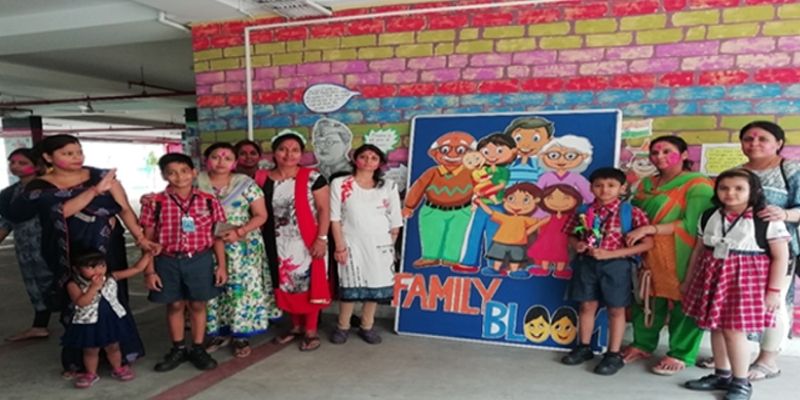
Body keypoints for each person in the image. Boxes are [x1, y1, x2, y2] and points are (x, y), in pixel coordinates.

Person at [9, 134, 156, 376]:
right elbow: (60, 212)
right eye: (68, 153)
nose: (76, 157)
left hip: (106, 247)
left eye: (78, 151)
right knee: (75, 302)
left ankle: (119, 356)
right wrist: (95, 191)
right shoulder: (40, 187)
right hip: (67, 250)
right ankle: (79, 360)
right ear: (48, 157)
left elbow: (125, 209)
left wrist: (141, 238)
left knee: (112, 297)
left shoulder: (101, 175)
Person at [682, 168, 790, 400]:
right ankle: (722, 374)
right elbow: (698, 250)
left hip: (746, 282)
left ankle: (741, 381)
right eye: (724, 188)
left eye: (739, 188)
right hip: (712, 277)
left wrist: (774, 291)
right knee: (717, 327)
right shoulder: (709, 216)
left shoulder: (765, 219)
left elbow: (781, 257)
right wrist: (689, 280)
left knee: (734, 331)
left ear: (754, 191)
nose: (730, 193)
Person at [622, 135, 714, 375]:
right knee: (645, 296)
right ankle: (642, 344)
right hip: (646, 250)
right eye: (655, 152)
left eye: (666, 151)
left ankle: (681, 353)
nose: (659, 157)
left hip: (681, 252)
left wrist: (650, 229)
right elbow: (634, 216)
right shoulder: (645, 184)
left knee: (685, 301)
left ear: (684, 155)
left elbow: (694, 225)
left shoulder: (698, 185)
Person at [140, 153, 228, 372]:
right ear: (164, 176)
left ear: (194, 172)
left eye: (184, 171)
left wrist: (221, 266)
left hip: (199, 259)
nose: (179, 177)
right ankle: (178, 348)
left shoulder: (209, 201)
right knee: (175, 304)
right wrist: (149, 271)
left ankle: (198, 348)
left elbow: (218, 236)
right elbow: (148, 240)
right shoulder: (154, 203)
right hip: (167, 260)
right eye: (172, 173)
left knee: (198, 304)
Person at [561, 167, 653, 376]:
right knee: (586, 305)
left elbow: (648, 244)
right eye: (599, 185)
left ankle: (613, 354)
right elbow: (571, 235)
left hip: (617, 266)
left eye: (611, 185)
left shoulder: (631, 213)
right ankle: (584, 347)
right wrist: (577, 245)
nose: (604, 190)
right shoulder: (583, 211)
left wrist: (613, 254)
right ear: (591, 188)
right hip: (587, 263)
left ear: (622, 188)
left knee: (616, 309)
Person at [197, 142, 280, 358]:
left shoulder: (245, 184)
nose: (221, 162)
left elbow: (261, 215)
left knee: (241, 290)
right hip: (206, 245)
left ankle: (241, 335)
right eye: (215, 157)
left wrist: (239, 231)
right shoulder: (197, 183)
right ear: (207, 160)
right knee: (214, 287)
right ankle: (218, 332)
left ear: (234, 162)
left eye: (227, 158)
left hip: (243, 247)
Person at [261, 130, 331, 352]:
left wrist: (321, 238)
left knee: (308, 284)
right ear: (274, 153)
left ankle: (310, 330)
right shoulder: (263, 179)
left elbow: (324, 210)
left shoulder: (313, 178)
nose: (288, 154)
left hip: (307, 241)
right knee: (285, 284)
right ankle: (296, 326)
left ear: (301, 153)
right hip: (276, 242)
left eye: (294, 150)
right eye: (283, 149)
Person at [329, 144, 403, 345]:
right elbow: (334, 218)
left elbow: (395, 220)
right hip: (350, 243)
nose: (368, 161)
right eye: (364, 156)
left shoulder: (388, 186)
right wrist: (339, 246)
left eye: (374, 158)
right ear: (355, 159)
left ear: (380, 163)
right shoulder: (340, 183)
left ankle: (367, 326)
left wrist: (389, 246)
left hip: (381, 244)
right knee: (350, 285)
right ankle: (343, 326)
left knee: (375, 285)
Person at [61, 250, 152, 388]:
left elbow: (136, 269)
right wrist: (93, 288)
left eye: (101, 265)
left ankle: (117, 368)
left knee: (113, 347)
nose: (98, 270)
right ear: (77, 269)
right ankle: (91, 373)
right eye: (91, 267)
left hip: (111, 320)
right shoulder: (73, 285)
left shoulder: (111, 277)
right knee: (90, 350)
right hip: (88, 323)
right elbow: (81, 302)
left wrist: (148, 255)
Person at [0, 148, 52, 341]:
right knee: (33, 285)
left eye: (22, 163)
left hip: (48, 245)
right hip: (25, 248)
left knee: (56, 283)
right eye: (12, 162)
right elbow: (7, 222)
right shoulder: (9, 194)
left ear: (37, 166)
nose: (15, 166)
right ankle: (40, 325)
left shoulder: (48, 188)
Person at [475, 182, 546, 279]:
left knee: (515, 258)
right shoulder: (504, 217)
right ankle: (495, 269)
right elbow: (490, 212)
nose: (517, 205)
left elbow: (537, 222)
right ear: (505, 199)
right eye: (511, 199)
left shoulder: (525, 219)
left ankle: (515, 271)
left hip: (518, 243)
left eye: (525, 200)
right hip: (501, 241)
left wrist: (545, 221)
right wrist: (481, 203)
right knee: (498, 257)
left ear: (536, 201)